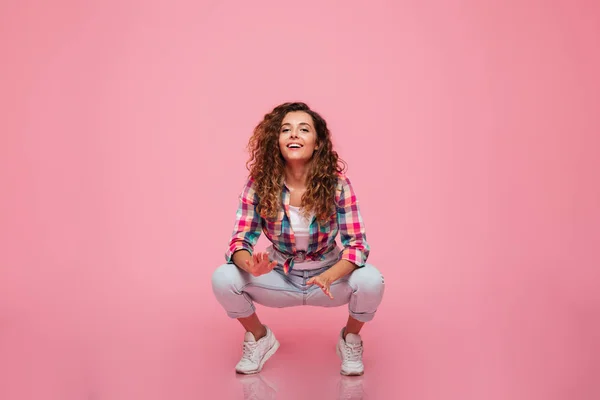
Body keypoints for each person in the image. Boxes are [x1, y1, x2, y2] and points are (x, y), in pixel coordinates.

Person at [211, 102, 385, 376]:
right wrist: (251, 267)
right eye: (286, 130)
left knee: (372, 280)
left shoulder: (338, 184)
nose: (294, 135)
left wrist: (328, 276)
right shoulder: (259, 184)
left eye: (304, 129)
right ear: (276, 141)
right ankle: (259, 338)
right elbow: (239, 242)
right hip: (279, 276)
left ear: (317, 143)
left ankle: (350, 339)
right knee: (223, 277)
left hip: (328, 278)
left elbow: (357, 247)